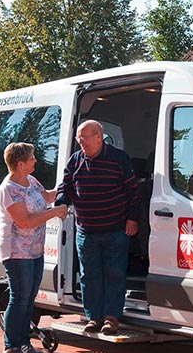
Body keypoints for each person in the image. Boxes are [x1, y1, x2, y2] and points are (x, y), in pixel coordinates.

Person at [56, 120, 141, 335]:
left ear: (99, 136)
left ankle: (111, 318)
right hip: (86, 231)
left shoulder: (118, 158)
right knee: (89, 276)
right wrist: (61, 202)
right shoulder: (75, 160)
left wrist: (132, 218)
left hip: (116, 229)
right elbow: (65, 186)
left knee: (114, 275)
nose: (81, 143)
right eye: (79, 140)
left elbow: (133, 192)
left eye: (84, 139)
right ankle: (93, 317)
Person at [0, 142, 68, 353]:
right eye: (31, 158)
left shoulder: (31, 181)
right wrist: (54, 213)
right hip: (16, 252)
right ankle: (10, 348)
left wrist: (69, 184)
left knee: (29, 299)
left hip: (35, 250)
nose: (35, 160)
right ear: (20, 163)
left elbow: (47, 197)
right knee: (19, 298)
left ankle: (24, 343)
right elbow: (25, 222)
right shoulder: (9, 189)